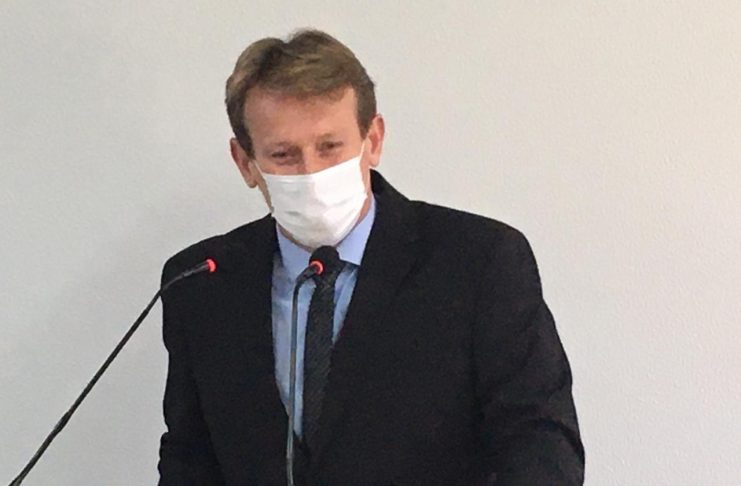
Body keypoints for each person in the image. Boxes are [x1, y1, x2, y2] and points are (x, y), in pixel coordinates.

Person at [157, 29, 584, 486]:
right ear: (245, 162)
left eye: (329, 147)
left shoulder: (480, 261)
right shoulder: (201, 282)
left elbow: (542, 444)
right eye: (283, 155)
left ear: (373, 140)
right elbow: (190, 458)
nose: (311, 172)